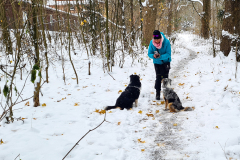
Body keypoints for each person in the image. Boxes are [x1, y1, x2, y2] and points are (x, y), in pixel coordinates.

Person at [148, 30, 171, 100]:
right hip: (157, 63)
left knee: (165, 78)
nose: (157, 41)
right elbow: (149, 53)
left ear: (161, 38)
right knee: (158, 77)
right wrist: (153, 56)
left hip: (166, 62)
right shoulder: (151, 43)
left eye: (158, 39)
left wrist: (160, 56)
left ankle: (166, 93)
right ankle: (157, 93)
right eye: (155, 40)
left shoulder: (166, 42)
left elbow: (168, 54)